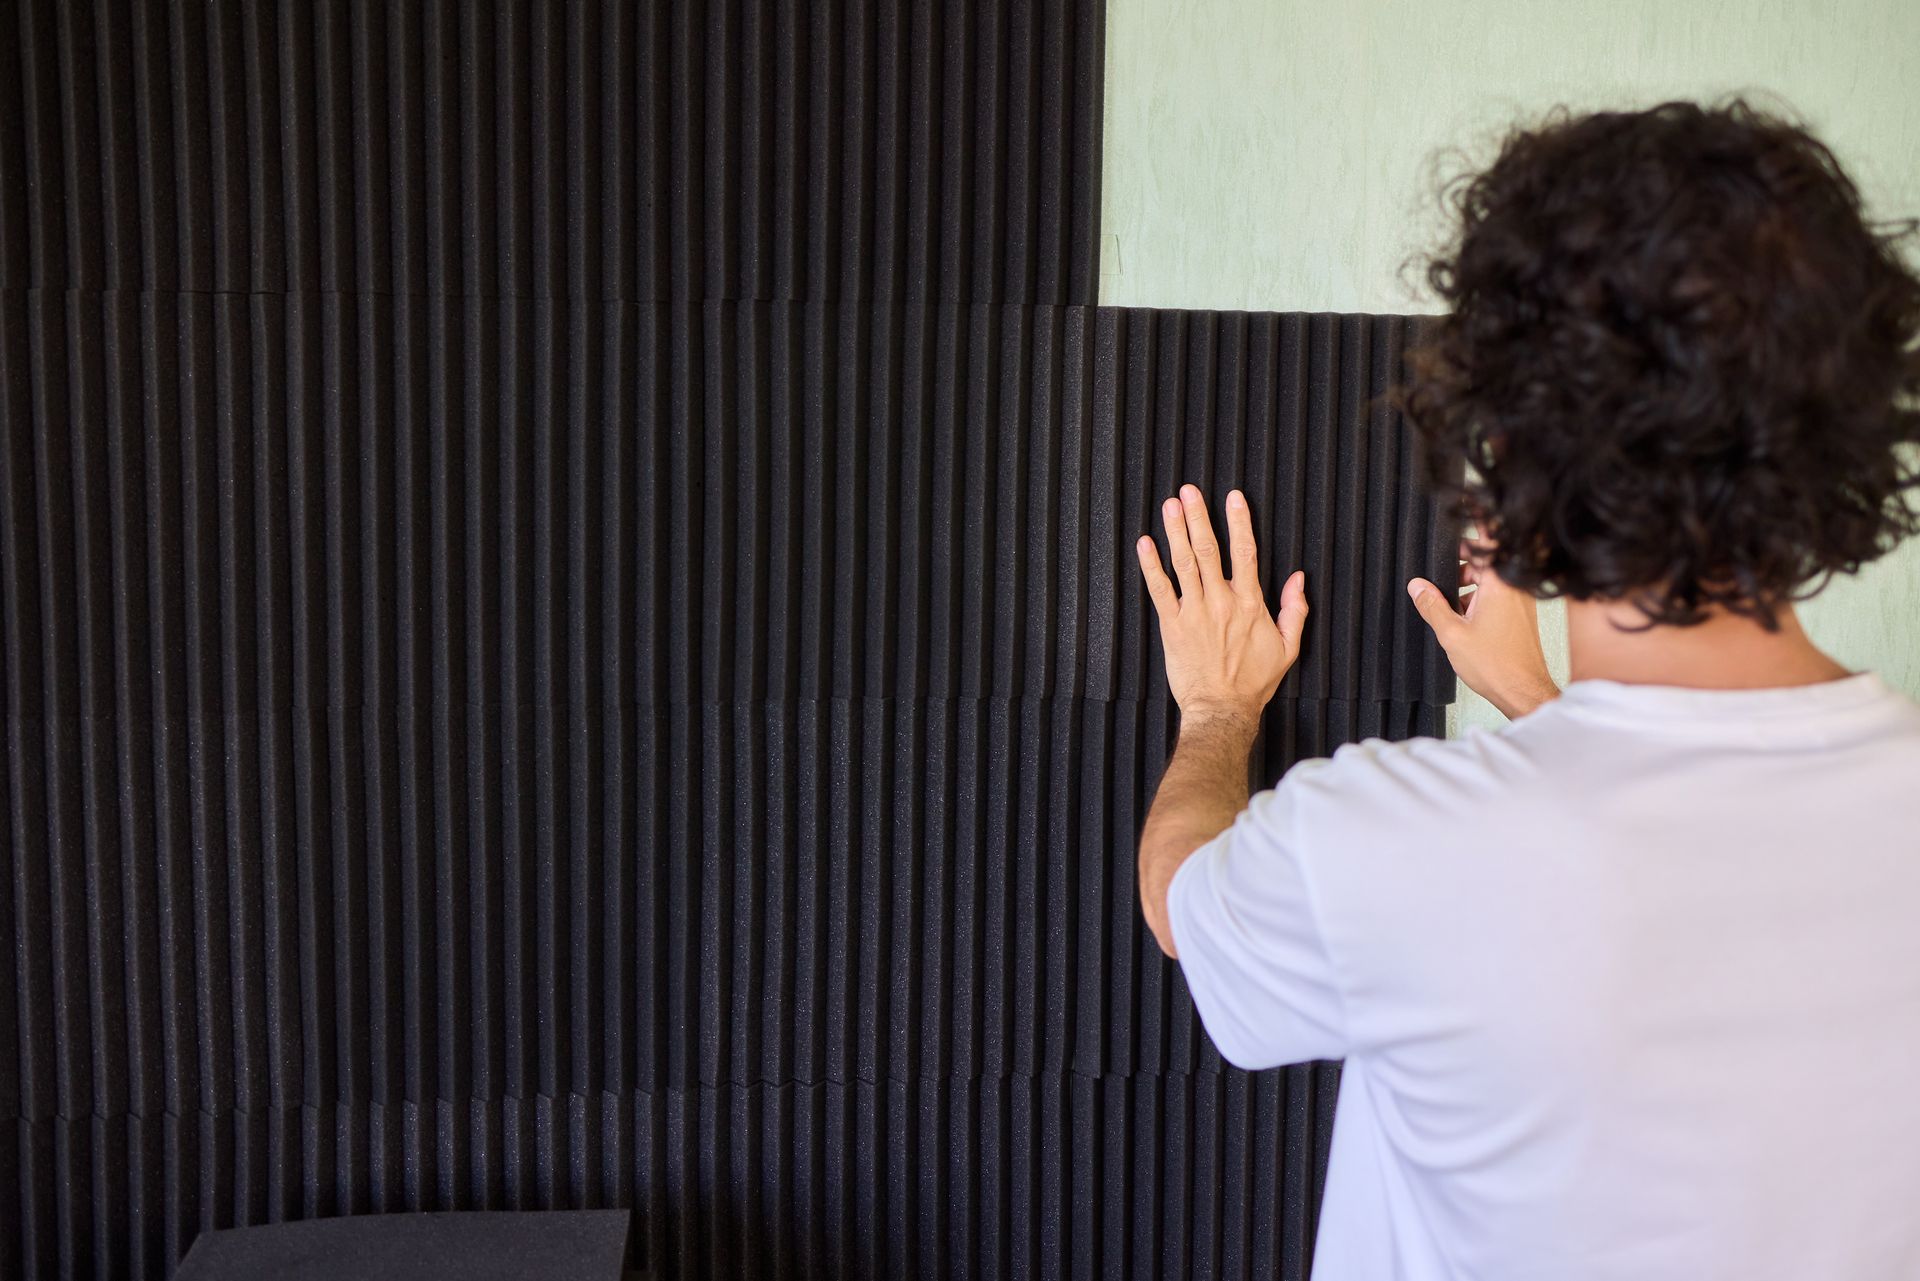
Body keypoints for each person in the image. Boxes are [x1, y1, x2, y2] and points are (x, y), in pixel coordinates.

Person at [1132, 96, 1920, 1280]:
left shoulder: (1388, 843)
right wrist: (1542, 711)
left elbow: (1181, 902)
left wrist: (1217, 716)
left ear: (1507, 443)